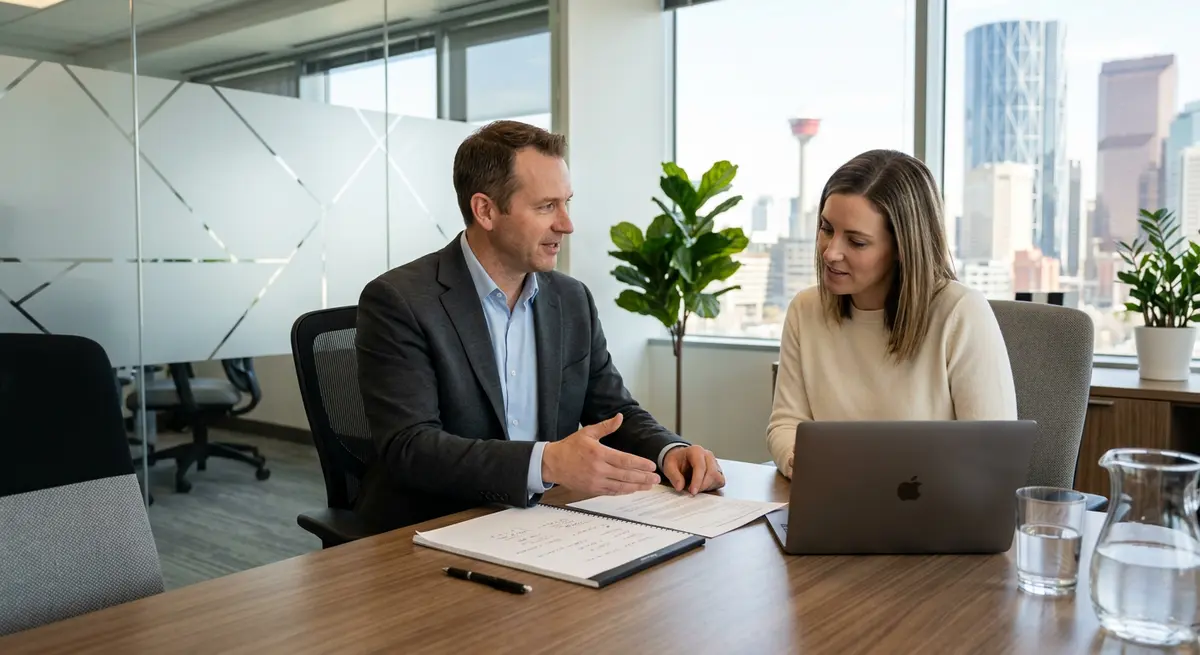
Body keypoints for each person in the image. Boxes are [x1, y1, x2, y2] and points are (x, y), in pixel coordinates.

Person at [354, 120, 725, 530]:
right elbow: (410, 447)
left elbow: (614, 410)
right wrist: (545, 462)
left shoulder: (571, 299)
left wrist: (670, 451)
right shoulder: (400, 301)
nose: (566, 224)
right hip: (432, 527)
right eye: (547, 206)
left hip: (543, 522)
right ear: (485, 210)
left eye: (567, 203)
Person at [766, 149, 1017, 478]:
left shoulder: (961, 313)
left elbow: (993, 457)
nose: (830, 252)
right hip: (836, 499)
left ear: (902, 247)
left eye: (856, 242)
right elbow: (786, 423)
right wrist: (800, 460)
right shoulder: (805, 309)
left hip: (933, 505)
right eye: (827, 228)